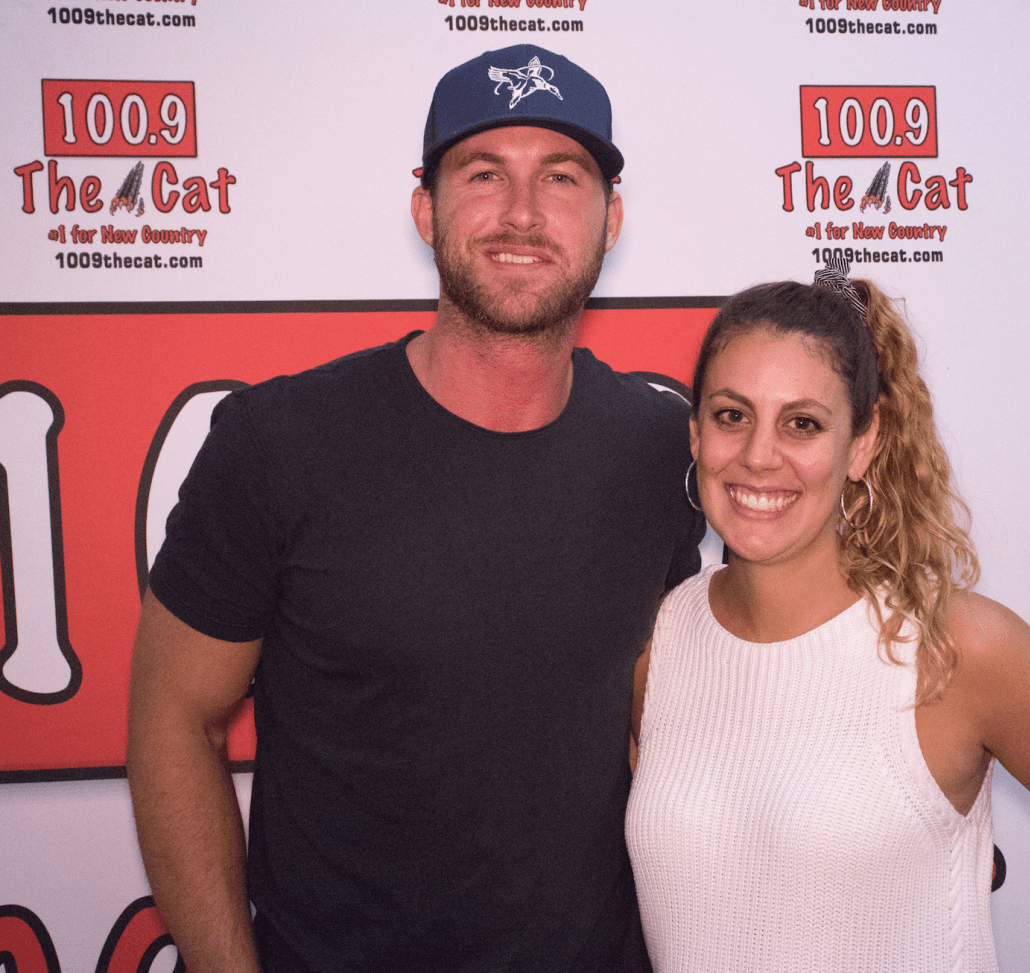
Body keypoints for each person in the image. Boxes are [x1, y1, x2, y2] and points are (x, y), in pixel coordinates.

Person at [127, 44, 703, 973]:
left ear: (611, 220)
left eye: (561, 176)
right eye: (483, 173)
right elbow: (171, 722)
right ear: (426, 209)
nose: (522, 212)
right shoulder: (279, 441)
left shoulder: (660, 448)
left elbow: (663, 725)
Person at [625, 270, 1030, 973]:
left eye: (802, 423)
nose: (757, 455)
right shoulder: (659, 644)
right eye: (731, 415)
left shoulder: (956, 647)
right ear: (695, 432)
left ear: (862, 443)